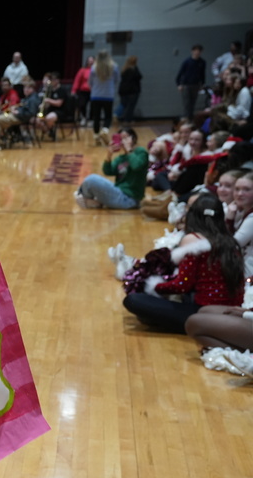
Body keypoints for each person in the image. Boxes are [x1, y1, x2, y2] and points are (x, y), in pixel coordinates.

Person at [122, 194, 244, 333]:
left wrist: (154, 286)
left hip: (202, 312)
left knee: (134, 300)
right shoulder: (230, 242)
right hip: (231, 313)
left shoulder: (193, 239)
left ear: (192, 215)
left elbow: (183, 284)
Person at [75, 127, 148, 209]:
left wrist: (129, 150)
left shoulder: (141, 152)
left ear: (133, 139)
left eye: (126, 138)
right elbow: (107, 171)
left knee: (92, 179)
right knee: (91, 179)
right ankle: (89, 199)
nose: (123, 141)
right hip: (119, 193)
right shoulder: (121, 158)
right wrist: (109, 155)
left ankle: (87, 199)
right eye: (121, 139)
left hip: (129, 199)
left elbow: (136, 166)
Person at [90, 50, 119, 145]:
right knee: (108, 116)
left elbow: (90, 82)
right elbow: (116, 80)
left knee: (96, 117)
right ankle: (105, 131)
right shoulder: (114, 67)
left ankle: (96, 137)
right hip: (108, 95)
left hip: (95, 95)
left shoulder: (94, 68)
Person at [176, 45, 206, 121]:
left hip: (196, 85)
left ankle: (191, 119)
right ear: (192, 51)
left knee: (193, 103)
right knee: (187, 103)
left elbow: (202, 74)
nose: (197, 52)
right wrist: (179, 84)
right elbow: (180, 73)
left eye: (199, 51)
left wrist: (202, 84)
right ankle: (186, 118)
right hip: (186, 85)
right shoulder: (187, 62)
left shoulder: (202, 62)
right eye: (195, 50)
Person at [118, 56, 142, 124]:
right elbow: (139, 76)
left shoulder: (124, 69)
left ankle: (120, 117)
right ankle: (127, 119)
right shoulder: (133, 70)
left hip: (124, 91)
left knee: (125, 105)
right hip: (132, 91)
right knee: (130, 106)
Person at [72, 55, 95, 126]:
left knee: (93, 106)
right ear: (87, 62)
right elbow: (77, 81)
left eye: (92, 61)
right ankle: (84, 118)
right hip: (83, 91)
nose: (91, 62)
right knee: (82, 105)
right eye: (89, 61)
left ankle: (91, 119)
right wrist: (74, 90)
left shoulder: (96, 71)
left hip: (94, 91)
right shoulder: (83, 70)